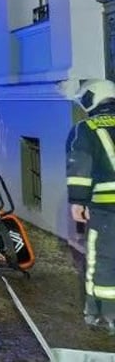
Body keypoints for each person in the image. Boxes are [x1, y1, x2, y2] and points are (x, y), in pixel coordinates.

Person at [66, 79, 115, 334]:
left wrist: (78, 201)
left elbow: (80, 167)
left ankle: (103, 315)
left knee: (102, 260)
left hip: (106, 209)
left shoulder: (86, 129)